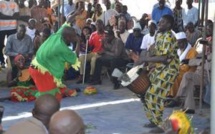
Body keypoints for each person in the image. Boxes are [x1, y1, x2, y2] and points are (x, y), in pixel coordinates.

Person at [29, 10, 81, 101]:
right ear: (68, 37)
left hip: (40, 68)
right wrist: (78, 42)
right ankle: (42, 112)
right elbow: (75, 57)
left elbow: (68, 21)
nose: (75, 37)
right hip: (40, 72)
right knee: (49, 98)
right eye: (74, 36)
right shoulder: (62, 48)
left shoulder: (58, 34)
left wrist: (76, 13)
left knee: (54, 95)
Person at [140, 15, 179, 133]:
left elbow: (163, 58)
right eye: (160, 22)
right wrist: (148, 52)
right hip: (160, 67)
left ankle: (159, 124)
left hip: (169, 69)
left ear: (169, 25)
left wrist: (145, 59)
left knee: (155, 94)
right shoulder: (158, 34)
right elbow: (154, 48)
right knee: (145, 92)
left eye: (163, 22)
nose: (159, 23)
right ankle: (153, 120)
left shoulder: (169, 37)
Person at [167, 32, 197, 98]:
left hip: (188, 71)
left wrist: (175, 68)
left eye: (181, 42)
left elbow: (188, 66)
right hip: (179, 69)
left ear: (185, 41)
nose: (179, 44)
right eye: (178, 42)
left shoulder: (192, 51)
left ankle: (172, 96)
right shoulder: (178, 51)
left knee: (173, 75)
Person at [77, 19, 105, 83]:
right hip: (93, 52)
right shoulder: (93, 34)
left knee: (93, 59)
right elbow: (89, 45)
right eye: (97, 24)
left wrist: (103, 51)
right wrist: (87, 39)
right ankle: (81, 75)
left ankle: (91, 76)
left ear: (102, 25)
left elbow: (108, 46)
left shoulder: (105, 34)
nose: (98, 26)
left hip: (101, 53)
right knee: (81, 57)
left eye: (99, 24)